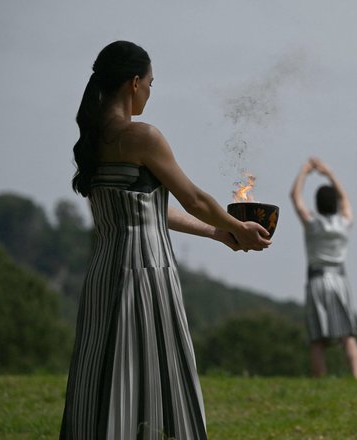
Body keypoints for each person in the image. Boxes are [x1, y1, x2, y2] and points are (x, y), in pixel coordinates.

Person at [60, 41, 271, 440]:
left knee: (104, 372)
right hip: (146, 274)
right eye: (151, 84)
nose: (151, 93)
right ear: (135, 83)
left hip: (103, 275)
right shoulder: (142, 136)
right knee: (156, 372)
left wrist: (216, 232)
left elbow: (146, 210)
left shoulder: (90, 140)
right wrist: (239, 227)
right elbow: (194, 199)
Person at [290, 157, 357, 379]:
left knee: (318, 338)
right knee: (347, 334)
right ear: (335, 205)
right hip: (340, 279)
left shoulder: (312, 224)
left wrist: (304, 171)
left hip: (317, 281)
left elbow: (295, 198)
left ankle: (321, 380)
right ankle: (355, 377)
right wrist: (329, 173)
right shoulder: (344, 223)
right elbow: (346, 199)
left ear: (318, 205)